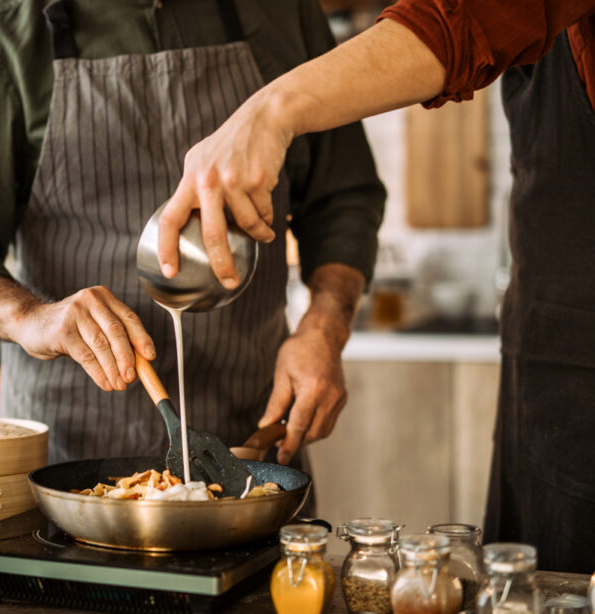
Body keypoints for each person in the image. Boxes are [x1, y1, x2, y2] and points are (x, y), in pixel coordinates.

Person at [156, 0, 595, 573]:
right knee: (529, 583)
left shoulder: (282, 17)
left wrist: (268, 112)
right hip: (548, 359)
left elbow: (462, 19)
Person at [0, 0, 386, 469]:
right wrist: (29, 316)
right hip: (69, 457)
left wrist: (325, 327)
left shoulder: (283, 14)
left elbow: (343, 197)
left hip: (250, 448)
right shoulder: (5, 42)